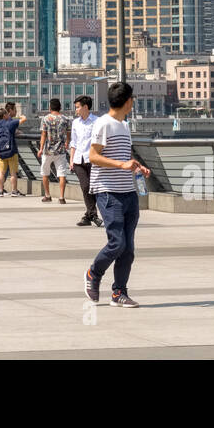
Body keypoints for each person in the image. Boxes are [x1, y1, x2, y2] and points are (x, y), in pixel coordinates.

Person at [83, 82, 150, 309]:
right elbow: (93, 156)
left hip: (128, 191)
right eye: (133, 99)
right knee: (117, 243)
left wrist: (137, 166)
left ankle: (119, 292)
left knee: (128, 249)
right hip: (107, 191)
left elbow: (122, 154)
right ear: (128, 101)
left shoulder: (124, 125)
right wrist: (122, 165)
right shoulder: (104, 124)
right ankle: (94, 273)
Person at [69, 96, 102, 227]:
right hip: (78, 160)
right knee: (85, 186)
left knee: (93, 188)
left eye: (77, 107)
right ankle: (93, 214)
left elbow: (99, 142)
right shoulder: (75, 123)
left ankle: (88, 216)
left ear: (86, 107)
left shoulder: (97, 121)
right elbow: (74, 142)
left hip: (92, 159)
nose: (76, 110)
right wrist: (71, 160)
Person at [38, 98, 72, 204]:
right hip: (61, 150)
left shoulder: (45, 118)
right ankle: (61, 197)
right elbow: (68, 133)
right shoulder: (66, 119)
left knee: (45, 173)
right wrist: (67, 142)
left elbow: (43, 135)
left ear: (50, 107)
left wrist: (40, 148)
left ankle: (47, 195)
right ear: (60, 107)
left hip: (47, 151)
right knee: (62, 174)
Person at [0, 102, 27, 197]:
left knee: (1, 173)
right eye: (6, 113)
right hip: (11, 151)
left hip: (1, 153)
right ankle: (14, 191)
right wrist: (21, 116)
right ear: (4, 115)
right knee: (13, 173)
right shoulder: (11, 123)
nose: (8, 114)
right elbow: (24, 119)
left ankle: (1, 191)